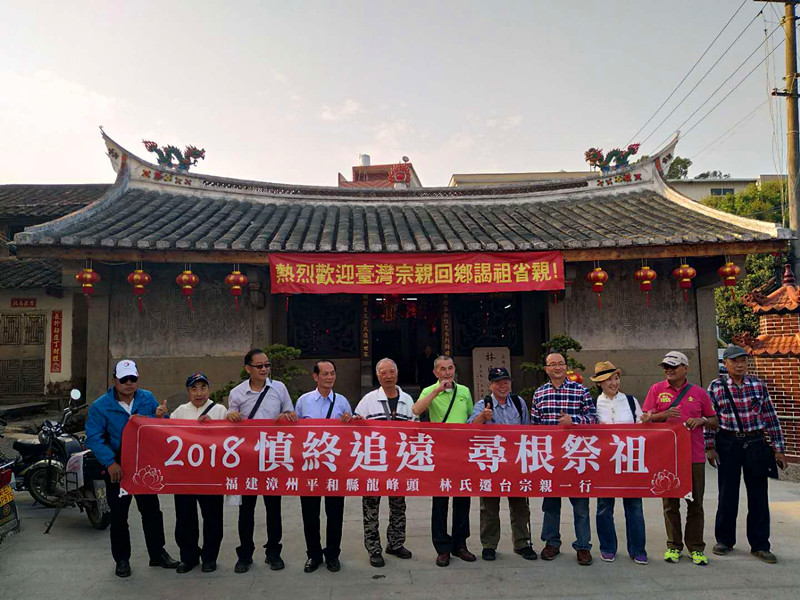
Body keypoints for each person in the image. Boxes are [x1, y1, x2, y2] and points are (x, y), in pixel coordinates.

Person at [84, 359, 179, 578]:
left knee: (152, 511)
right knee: (119, 515)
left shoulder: (147, 398)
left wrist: (161, 416)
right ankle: (122, 559)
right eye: (124, 379)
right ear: (114, 380)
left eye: (132, 379)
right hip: (117, 466)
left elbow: (160, 427)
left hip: (144, 465)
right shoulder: (100, 406)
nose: (128, 383)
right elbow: (94, 438)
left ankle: (157, 553)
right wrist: (110, 463)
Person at [706, 345, 787, 564]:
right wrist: (709, 447)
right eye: (735, 361)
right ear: (725, 364)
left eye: (743, 360)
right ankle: (724, 540)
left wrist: (778, 448)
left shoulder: (758, 386)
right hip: (728, 443)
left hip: (756, 443)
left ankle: (760, 544)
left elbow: (770, 416)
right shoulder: (716, 387)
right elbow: (710, 419)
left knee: (759, 495)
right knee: (727, 493)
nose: (740, 365)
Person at [641, 351, 718, 566]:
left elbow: (714, 420)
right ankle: (673, 546)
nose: (669, 370)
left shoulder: (699, 393)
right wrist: (663, 415)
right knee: (670, 504)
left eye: (673, 366)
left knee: (696, 504)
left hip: (694, 456)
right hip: (667, 456)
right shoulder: (656, 390)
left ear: (686, 368)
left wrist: (701, 420)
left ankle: (696, 548)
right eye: (666, 366)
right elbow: (645, 419)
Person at [227, 348, 296, 574]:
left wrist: (286, 416)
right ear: (248, 369)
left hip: (273, 458)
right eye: (259, 366)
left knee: (273, 509)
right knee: (246, 510)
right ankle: (245, 554)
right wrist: (231, 416)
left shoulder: (279, 388)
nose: (265, 369)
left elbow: (291, 414)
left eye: (267, 365)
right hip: (247, 459)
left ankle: (273, 552)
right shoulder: (237, 393)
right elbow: (229, 424)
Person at [531, 352, 596, 566]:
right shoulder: (539, 393)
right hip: (550, 458)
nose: (557, 367)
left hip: (576, 456)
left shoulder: (580, 390)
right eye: (553, 364)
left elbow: (593, 419)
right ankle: (551, 542)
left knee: (581, 506)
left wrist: (573, 420)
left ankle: (583, 546)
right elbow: (534, 427)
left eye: (561, 364)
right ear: (546, 369)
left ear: (566, 367)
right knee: (550, 504)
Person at [412, 355, 476, 567]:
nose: (447, 372)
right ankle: (442, 547)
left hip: (462, 453)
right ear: (435, 372)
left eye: (450, 368)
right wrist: (437, 391)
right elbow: (417, 410)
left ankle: (460, 544)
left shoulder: (464, 391)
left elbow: (470, 418)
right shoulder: (429, 391)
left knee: (462, 499)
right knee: (440, 501)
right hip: (440, 453)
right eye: (443, 369)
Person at [469, 367, 536, 562]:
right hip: (491, 462)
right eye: (498, 382)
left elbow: (527, 431)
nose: (503, 386)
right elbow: (469, 430)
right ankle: (489, 545)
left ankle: (522, 543)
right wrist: (483, 417)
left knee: (520, 506)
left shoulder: (518, 403)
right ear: (490, 385)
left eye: (506, 381)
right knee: (489, 507)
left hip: (515, 462)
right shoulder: (482, 405)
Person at [295, 360, 357, 573]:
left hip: (334, 466)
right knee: (310, 513)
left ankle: (332, 555)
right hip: (310, 465)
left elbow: (351, 433)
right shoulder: (303, 401)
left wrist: (351, 420)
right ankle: (313, 555)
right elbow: (295, 432)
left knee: (335, 513)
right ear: (315, 377)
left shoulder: (342, 401)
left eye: (332, 373)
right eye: (325, 374)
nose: (330, 377)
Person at [354, 358, 416, 567]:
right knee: (371, 508)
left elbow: (415, 429)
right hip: (373, 463)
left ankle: (396, 543)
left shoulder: (407, 400)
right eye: (383, 373)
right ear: (377, 376)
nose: (388, 376)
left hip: (398, 464)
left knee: (398, 506)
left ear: (397, 374)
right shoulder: (368, 400)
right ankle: (373, 549)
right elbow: (355, 428)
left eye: (391, 372)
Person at [170, 372, 230, 574]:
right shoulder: (179, 412)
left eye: (203, 388)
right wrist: (159, 418)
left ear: (208, 390)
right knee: (184, 518)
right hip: (184, 476)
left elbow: (229, 439)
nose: (199, 393)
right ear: (188, 391)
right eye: (194, 389)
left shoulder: (220, 410)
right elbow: (167, 436)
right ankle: (188, 557)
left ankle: (210, 557)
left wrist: (215, 427)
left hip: (211, 476)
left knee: (212, 517)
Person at [590, 361, 648, 565]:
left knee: (634, 506)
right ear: (599, 384)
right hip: (604, 463)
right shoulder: (594, 404)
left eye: (615, 378)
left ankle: (638, 549)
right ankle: (607, 547)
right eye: (608, 380)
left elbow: (642, 427)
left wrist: (646, 421)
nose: (613, 383)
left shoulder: (630, 401)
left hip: (629, 461)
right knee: (604, 506)